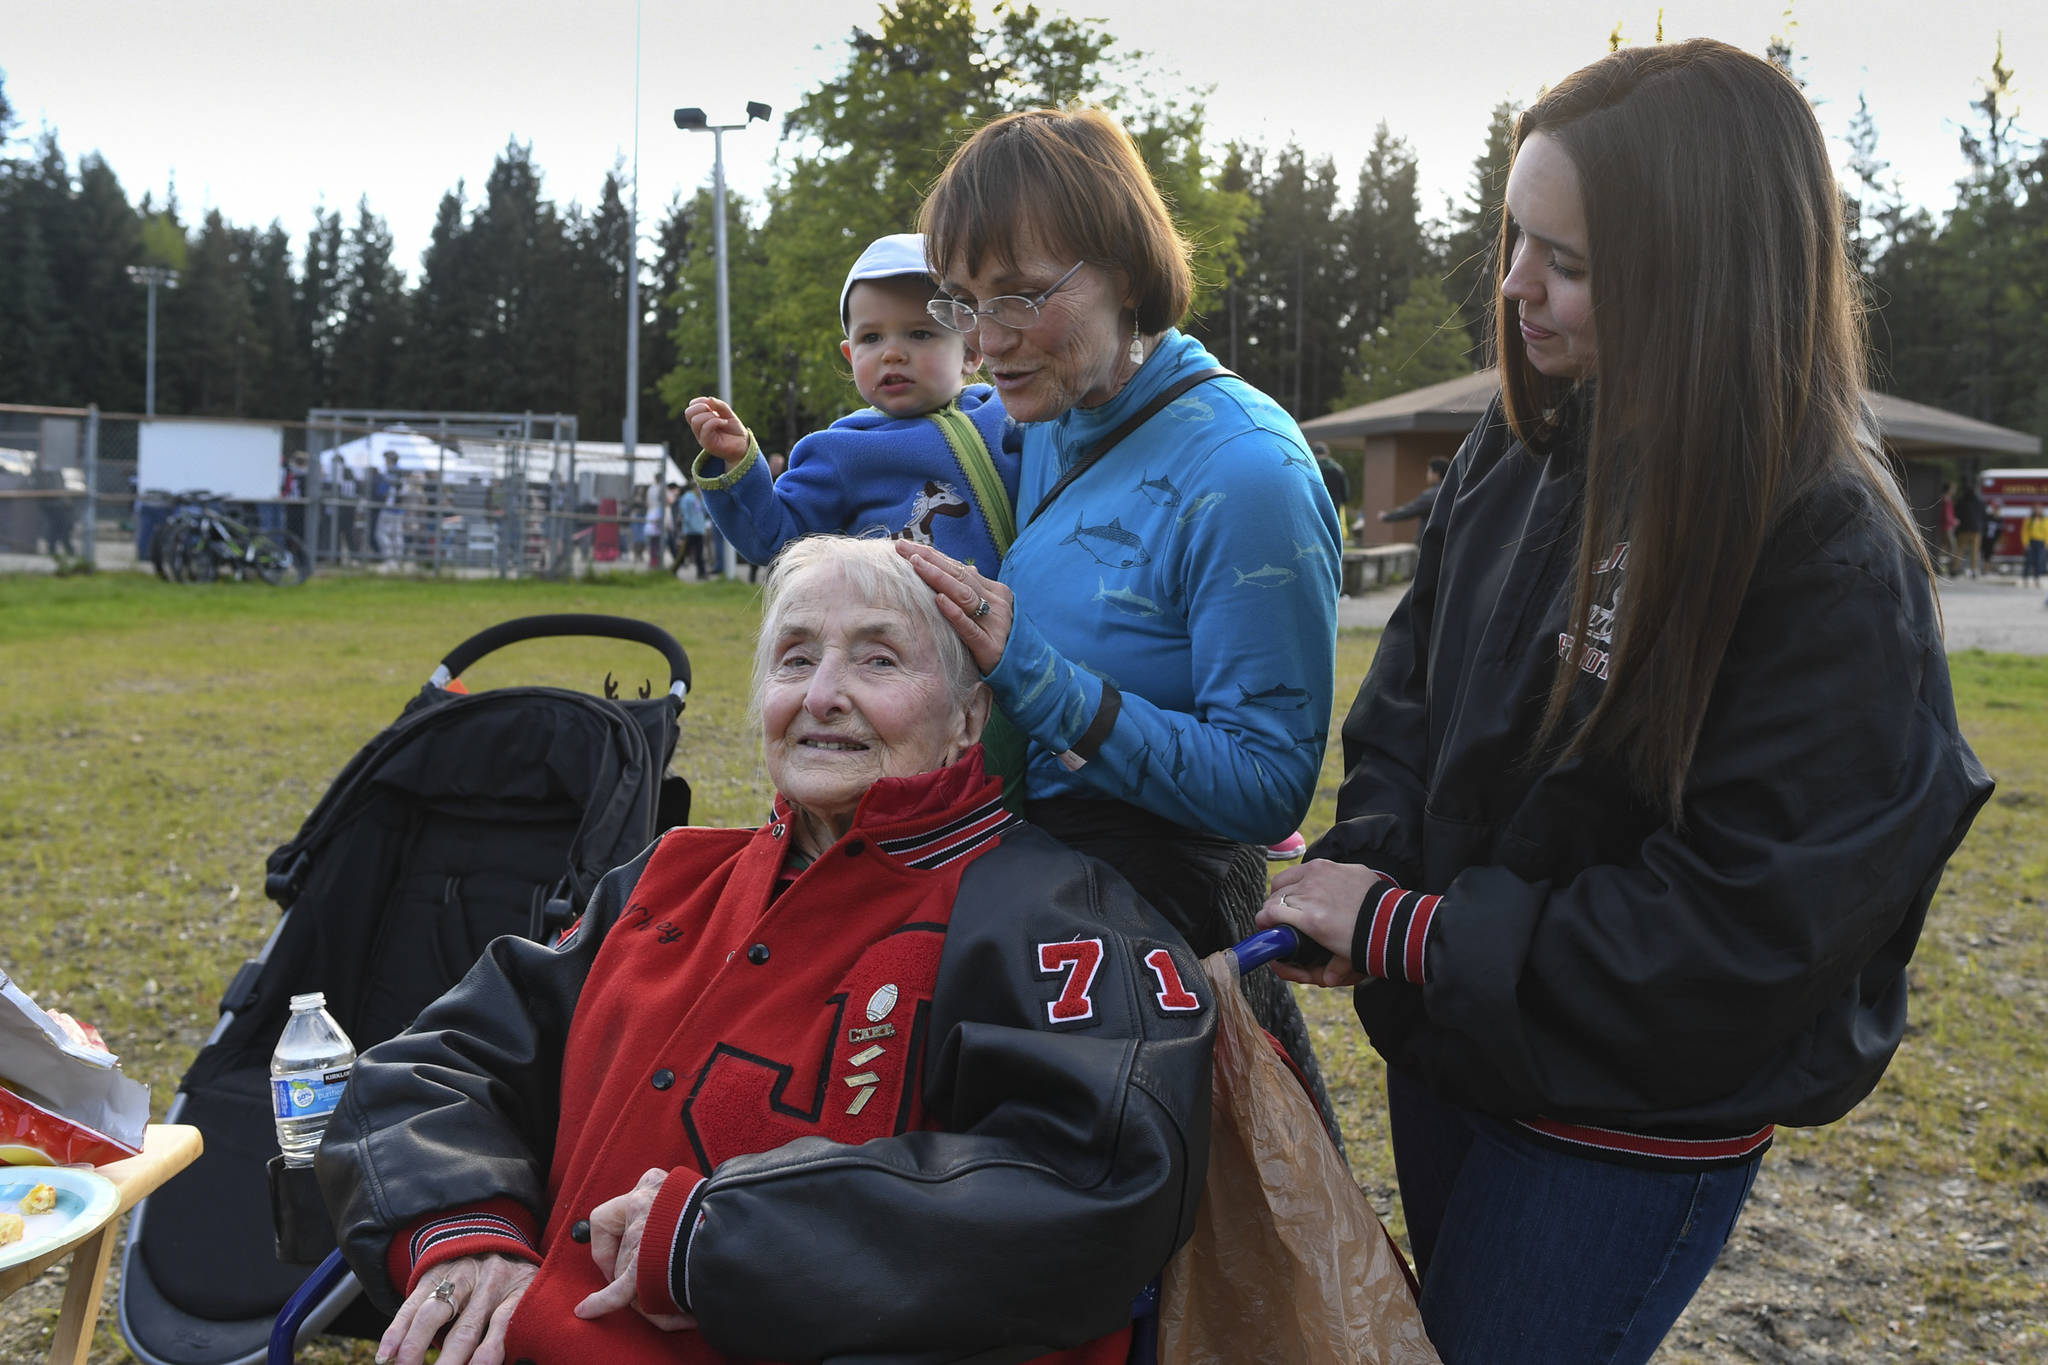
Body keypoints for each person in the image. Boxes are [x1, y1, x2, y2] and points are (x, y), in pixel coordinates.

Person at [1256, 41, 1992, 1365]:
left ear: (1704, 277)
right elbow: (1412, 711)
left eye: (1572, 264)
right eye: (1514, 238)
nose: (1515, 287)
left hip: (1621, 1129)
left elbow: (1743, 931)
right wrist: (1365, 869)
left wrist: (1413, 929)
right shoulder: (1518, 442)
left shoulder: (1824, 549)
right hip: (1458, 1057)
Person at [317, 536, 1213, 1365]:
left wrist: (716, 1236)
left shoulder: (1056, 915)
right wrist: (466, 1231)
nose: (823, 694)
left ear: (970, 718)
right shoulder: (669, 877)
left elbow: (1097, 1176)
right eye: (794, 658)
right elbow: (436, 1065)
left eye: (877, 658)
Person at [894, 106, 1344, 1139]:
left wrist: (1037, 681)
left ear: (1128, 272)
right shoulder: (1053, 408)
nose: (986, 341)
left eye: (1017, 295)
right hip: (1043, 904)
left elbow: (1266, 786)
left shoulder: (1245, 475)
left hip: (1160, 938)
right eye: (960, 302)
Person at [685, 232, 1021, 580]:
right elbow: (774, 537)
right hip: (910, 626)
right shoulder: (842, 449)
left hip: (1025, 622)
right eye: (871, 338)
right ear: (850, 356)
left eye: (920, 333)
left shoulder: (1009, 415)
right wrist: (739, 462)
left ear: (971, 350)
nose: (891, 353)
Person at [1378, 457, 1449, 525]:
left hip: (1433, 536)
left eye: (1429, 471)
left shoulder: (1434, 494)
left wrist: (1386, 516)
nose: (1427, 474)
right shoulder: (1451, 490)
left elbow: (1410, 509)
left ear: (1436, 474)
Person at [675, 479, 709, 579]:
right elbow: (684, 513)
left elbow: (705, 511)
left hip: (699, 530)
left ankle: (701, 573)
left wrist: (702, 499)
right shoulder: (687, 498)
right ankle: (674, 569)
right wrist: (690, 524)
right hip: (690, 530)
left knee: (699, 553)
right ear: (695, 487)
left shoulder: (700, 498)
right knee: (684, 553)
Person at [1954, 479, 1986, 578]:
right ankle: (1974, 570)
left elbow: (1957, 513)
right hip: (1976, 530)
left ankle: (1955, 568)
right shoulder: (1980, 502)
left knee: (1960, 550)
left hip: (1963, 529)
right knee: (1974, 551)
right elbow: (1983, 516)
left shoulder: (1961, 501)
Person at [1937, 480, 1961, 576]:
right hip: (1947, 528)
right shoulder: (1947, 500)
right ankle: (1950, 569)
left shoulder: (1943, 499)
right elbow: (1947, 516)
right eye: (1953, 488)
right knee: (1953, 549)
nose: (1954, 490)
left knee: (1941, 549)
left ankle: (1940, 567)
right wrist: (1954, 521)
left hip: (1942, 527)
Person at [2024, 502, 2048, 594]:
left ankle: (2036, 579)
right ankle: (2025, 578)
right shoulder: (2030, 520)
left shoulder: (2045, 520)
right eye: (2036, 509)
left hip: (2041, 542)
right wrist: (2026, 543)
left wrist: (2046, 544)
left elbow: (2047, 532)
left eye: (2040, 509)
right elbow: (2025, 532)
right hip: (2032, 542)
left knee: (2039, 562)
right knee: (2029, 561)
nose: (2038, 510)